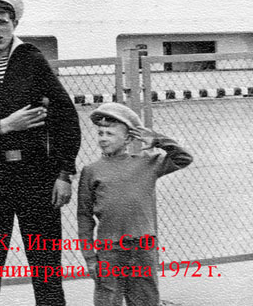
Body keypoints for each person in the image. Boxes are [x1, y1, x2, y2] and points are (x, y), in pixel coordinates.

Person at [0, 0, 81, 306]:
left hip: (36, 176)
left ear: (15, 24)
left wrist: (64, 172)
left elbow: (66, 118)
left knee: (46, 266)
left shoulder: (33, 61)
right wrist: (4, 125)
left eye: (2, 22)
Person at [78, 103, 193, 306]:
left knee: (145, 299)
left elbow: (183, 158)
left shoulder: (147, 163)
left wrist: (158, 140)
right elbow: (84, 216)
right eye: (100, 133)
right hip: (110, 249)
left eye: (110, 133)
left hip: (143, 246)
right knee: (107, 300)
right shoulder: (91, 171)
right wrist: (90, 258)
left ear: (128, 138)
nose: (103, 138)